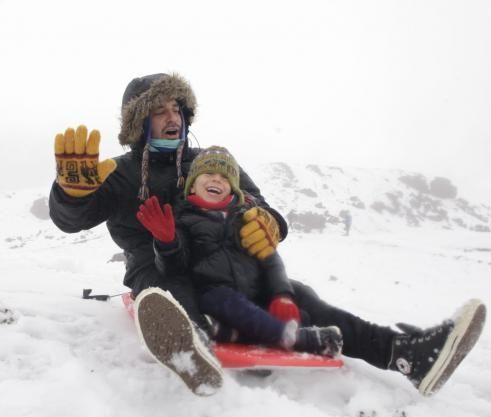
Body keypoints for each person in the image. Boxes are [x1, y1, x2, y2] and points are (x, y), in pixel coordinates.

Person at [48, 72, 486, 397]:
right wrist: (70, 193)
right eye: (160, 110)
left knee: (300, 296)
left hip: (221, 263)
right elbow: (72, 219)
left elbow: (256, 201)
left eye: (177, 109)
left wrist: (268, 221)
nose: (172, 118)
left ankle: (406, 353)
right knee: (166, 289)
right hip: (158, 265)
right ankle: (190, 346)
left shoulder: (210, 160)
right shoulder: (122, 174)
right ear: (140, 121)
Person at [136, 145, 343, 358]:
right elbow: (175, 266)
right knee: (230, 302)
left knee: (296, 313)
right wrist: (167, 241)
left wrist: (281, 294)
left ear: (233, 189)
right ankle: (297, 339)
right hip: (211, 292)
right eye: (208, 174)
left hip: (247, 293)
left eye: (225, 178)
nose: (217, 179)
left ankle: (228, 333)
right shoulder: (184, 218)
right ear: (191, 186)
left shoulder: (243, 218)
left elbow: (269, 259)